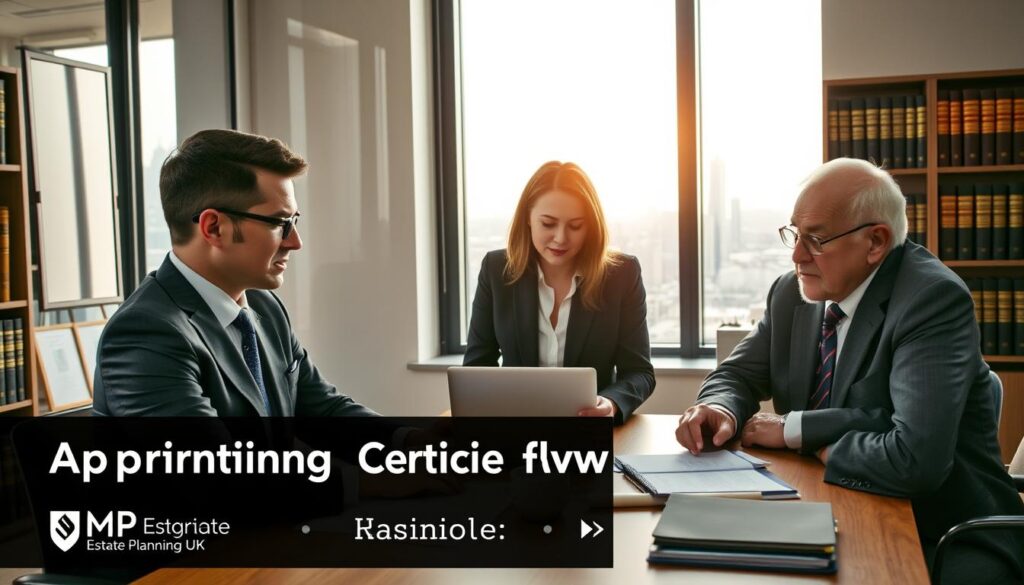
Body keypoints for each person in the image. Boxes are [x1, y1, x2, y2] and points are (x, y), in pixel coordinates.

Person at [675, 158, 1024, 583]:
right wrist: (720, 408)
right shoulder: (792, 293)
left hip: (943, 530)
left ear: (876, 242)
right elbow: (737, 375)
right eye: (795, 234)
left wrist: (797, 433)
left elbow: (915, 460)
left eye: (816, 239)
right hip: (825, 507)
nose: (797, 255)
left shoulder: (931, 300)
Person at [93, 129, 378, 417]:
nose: (295, 242)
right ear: (214, 227)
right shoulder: (145, 333)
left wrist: (409, 441)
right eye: (279, 222)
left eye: (294, 221)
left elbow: (324, 409)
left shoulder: (264, 306)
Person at [463, 161, 655, 424]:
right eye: (548, 224)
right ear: (528, 220)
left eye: (576, 226)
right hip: (515, 431)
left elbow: (639, 372)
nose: (561, 238)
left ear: (591, 227)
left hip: (588, 434)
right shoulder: (496, 270)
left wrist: (610, 404)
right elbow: (476, 366)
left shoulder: (621, 275)